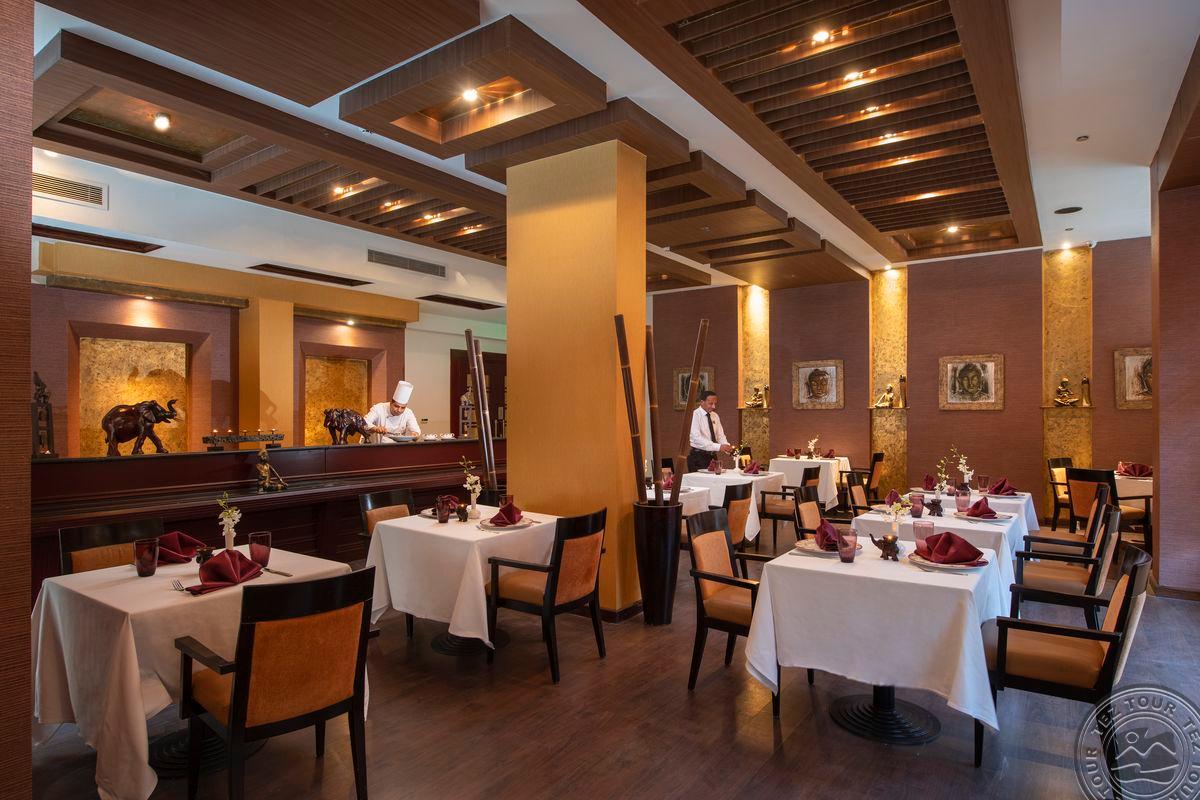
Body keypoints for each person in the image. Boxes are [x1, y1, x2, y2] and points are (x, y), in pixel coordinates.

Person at [687, 390, 732, 472]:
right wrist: (719, 447)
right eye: (711, 403)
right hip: (698, 457)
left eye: (715, 403)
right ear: (702, 402)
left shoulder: (715, 415)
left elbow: (720, 436)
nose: (714, 406)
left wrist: (726, 446)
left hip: (712, 456)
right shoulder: (695, 415)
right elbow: (696, 438)